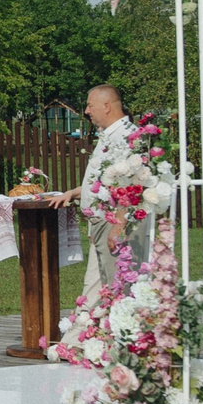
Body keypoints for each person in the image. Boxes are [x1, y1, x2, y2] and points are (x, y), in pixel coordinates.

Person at [67, 83, 148, 297]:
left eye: (89, 105)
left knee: (118, 289)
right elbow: (102, 182)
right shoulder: (110, 135)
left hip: (114, 224)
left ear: (106, 106)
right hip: (101, 223)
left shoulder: (126, 137)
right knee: (101, 290)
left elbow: (131, 186)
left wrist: (117, 227)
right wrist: (75, 194)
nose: (86, 111)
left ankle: (120, 329)